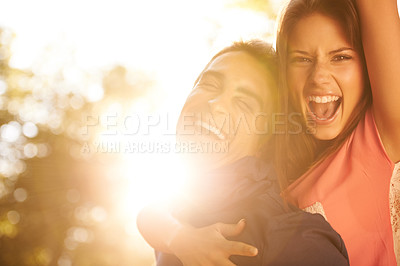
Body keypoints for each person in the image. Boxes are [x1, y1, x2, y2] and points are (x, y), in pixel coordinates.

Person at [136, 40, 349, 265]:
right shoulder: (181, 208)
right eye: (210, 84)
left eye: (245, 103)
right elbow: (150, 213)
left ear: (264, 142)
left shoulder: (294, 237)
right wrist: (177, 238)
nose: (216, 104)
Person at [275, 0, 400, 265]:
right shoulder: (272, 176)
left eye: (340, 57)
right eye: (302, 59)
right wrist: (179, 237)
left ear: (368, 66)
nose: (318, 76)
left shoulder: (384, 136)